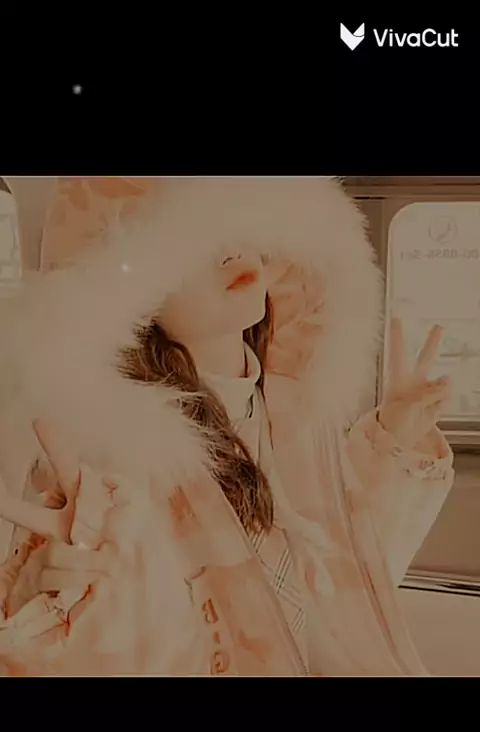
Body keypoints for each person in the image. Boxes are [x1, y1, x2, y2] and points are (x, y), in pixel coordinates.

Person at [0, 177, 454, 676]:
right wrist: (58, 601)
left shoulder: (294, 420)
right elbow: (142, 641)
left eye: (239, 227)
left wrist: (394, 440)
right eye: (191, 241)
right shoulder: (110, 459)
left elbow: (340, 592)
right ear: (129, 296)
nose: (231, 252)